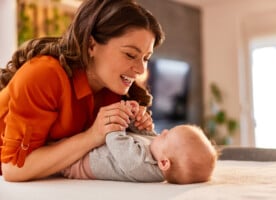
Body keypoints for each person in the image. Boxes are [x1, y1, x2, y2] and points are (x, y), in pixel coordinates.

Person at [0, 0, 165, 181]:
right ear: (91, 45)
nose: (141, 70)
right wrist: (93, 135)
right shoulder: (43, 75)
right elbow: (13, 170)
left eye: (146, 58)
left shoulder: (113, 89)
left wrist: (137, 131)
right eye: (130, 55)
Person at [61, 121, 217, 184]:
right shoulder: (158, 152)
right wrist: (137, 120)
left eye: (166, 136)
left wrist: (119, 120)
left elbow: (116, 139)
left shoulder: (141, 165)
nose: (162, 132)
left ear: (164, 163)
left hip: (73, 162)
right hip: (85, 147)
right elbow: (142, 136)